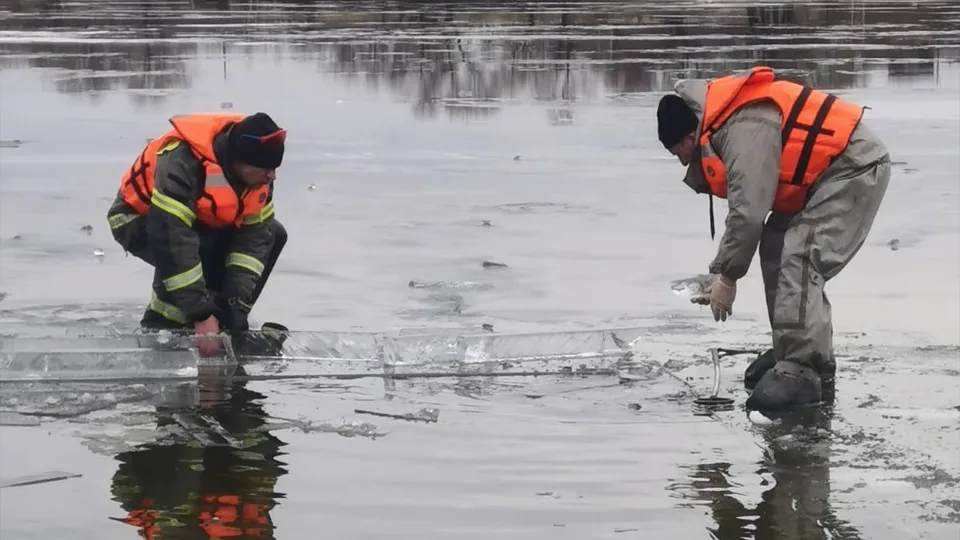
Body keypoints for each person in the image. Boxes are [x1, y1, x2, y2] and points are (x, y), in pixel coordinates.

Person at [655, 65, 891, 411]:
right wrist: (721, 270)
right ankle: (793, 353)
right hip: (825, 177)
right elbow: (749, 213)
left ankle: (801, 370)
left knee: (800, 251)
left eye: (678, 153)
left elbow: (749, 211)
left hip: (852, 169)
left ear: (688, 138)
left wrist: (728, 277)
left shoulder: (741, 129)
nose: (682, 162)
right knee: (777, 243)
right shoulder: (723, 125)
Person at [106, 112, 290, 355]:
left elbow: (254, 240)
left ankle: (223, 323)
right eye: (266, 169)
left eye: (274, 168)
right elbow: (172, 238)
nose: (272, 176)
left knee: (274, 234)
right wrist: (200, 313)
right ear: (240, 161)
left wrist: (236, 305)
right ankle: (163, 325)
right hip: (138, 219)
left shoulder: (259, 177)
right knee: (198, 247)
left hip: (198, 225)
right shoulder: (183, 161)